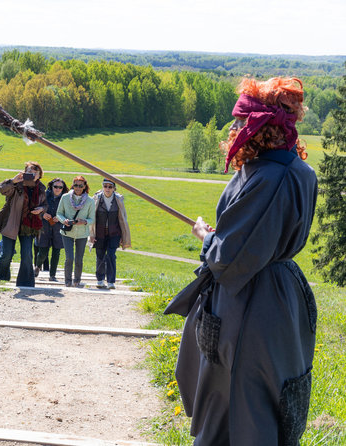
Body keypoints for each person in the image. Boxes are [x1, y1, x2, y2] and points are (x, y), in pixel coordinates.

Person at [164, 77, 317, 446]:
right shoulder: (297, 171)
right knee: (263, 389)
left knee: (243, 395)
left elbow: (228, 261)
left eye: (239, 121)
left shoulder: (270, 177)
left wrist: (207, 237)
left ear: (260, 127)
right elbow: (255, 237)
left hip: (250, 301)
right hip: (280, 296)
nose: (232, 129)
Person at [0, 161, 46, 287]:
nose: (32, 174)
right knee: (7, 254)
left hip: (29, 226)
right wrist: (13, 180)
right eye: (29, 171)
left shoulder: (42, 188)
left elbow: (45, 204)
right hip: (11, 222)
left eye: (34, 172)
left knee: (27, 255)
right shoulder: (17, 185)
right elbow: (1, 189)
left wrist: (41, 209)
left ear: (39, 175)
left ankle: (26, 283)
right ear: (24, 172)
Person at [89, 178, 131, 289]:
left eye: (110, 186)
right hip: (99, 233)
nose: (107, 189)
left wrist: (123, 235)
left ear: (114, 188)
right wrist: (91, 235)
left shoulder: (118, 200)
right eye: (105, 186)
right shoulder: (97, 198)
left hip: (114, 233)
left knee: (111, 256)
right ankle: (100, 279)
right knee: (100, 256)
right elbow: (92, 218)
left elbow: (123, 218)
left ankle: (111, 281)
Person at [56, 176, 95, 287]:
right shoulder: (65, 197)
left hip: (82, 233)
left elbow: (92, 219)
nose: (78, 188)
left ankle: (77, 280)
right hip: (67, 232)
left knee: (79, 259)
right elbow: (59, 213)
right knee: (69, 258)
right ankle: (67, 281)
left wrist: (84, 221)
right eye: (76, 185)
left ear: (84, 187)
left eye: (80, 185)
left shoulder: (90, 201)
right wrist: (64, 221)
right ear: (72, 185)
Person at [34, 177, 67, 282]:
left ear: (63, 188)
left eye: (60, 187)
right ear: (51, 187)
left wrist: (60, 218)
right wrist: (43, 214)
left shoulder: (66, 199)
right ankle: (38, 266)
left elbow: (69, 213)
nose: (57, 189)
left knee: (56, 252)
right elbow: (36, 209)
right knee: (42, 251)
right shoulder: (44, 196)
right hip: (44, 227)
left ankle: (52, 275)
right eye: (55, 186)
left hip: (58, 229)